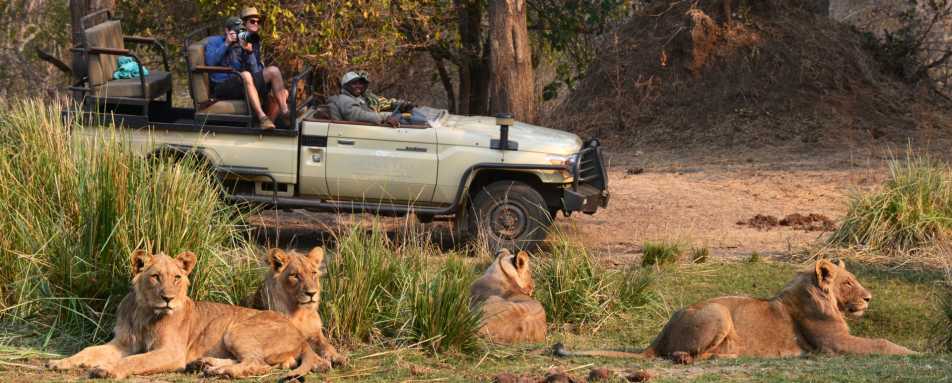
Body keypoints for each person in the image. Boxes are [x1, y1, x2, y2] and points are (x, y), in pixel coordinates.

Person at [204, 17, 280, 128]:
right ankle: (262, 117)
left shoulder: (242, 43)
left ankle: (281, 113)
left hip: (240, 83)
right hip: (221, 86)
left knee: (273, 71)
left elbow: (256, 72)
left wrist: (249, 52)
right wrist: (226, 43)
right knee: (245, 75)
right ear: (227, 31)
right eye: (236, 31)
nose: (239, 34)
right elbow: (210, 62)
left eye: (241, 31)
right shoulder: (214, 42)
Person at [239, 7, 291, 125]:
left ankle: (269, 124)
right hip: (243, 81)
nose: (256, 24)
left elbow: (258, 66)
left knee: (284, 94)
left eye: (258, 22)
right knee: (273, 71)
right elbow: (249, 69)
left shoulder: (255, 39)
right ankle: (284, 111)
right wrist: (250, 52)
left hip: (255, 78)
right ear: (244, 23)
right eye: (252, 21)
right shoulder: (240, 39)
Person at [332, 71, 426, 128]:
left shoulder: (359, 97)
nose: (359, 86)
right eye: (354, 83)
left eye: (360, 83)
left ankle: (428, 121)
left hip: (370, 130)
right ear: (345, 86)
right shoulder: (345, 99)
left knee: (407, 117)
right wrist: (385, 117)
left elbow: (382, 103)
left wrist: (400, 105)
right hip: (361, 134)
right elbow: (358, 115)